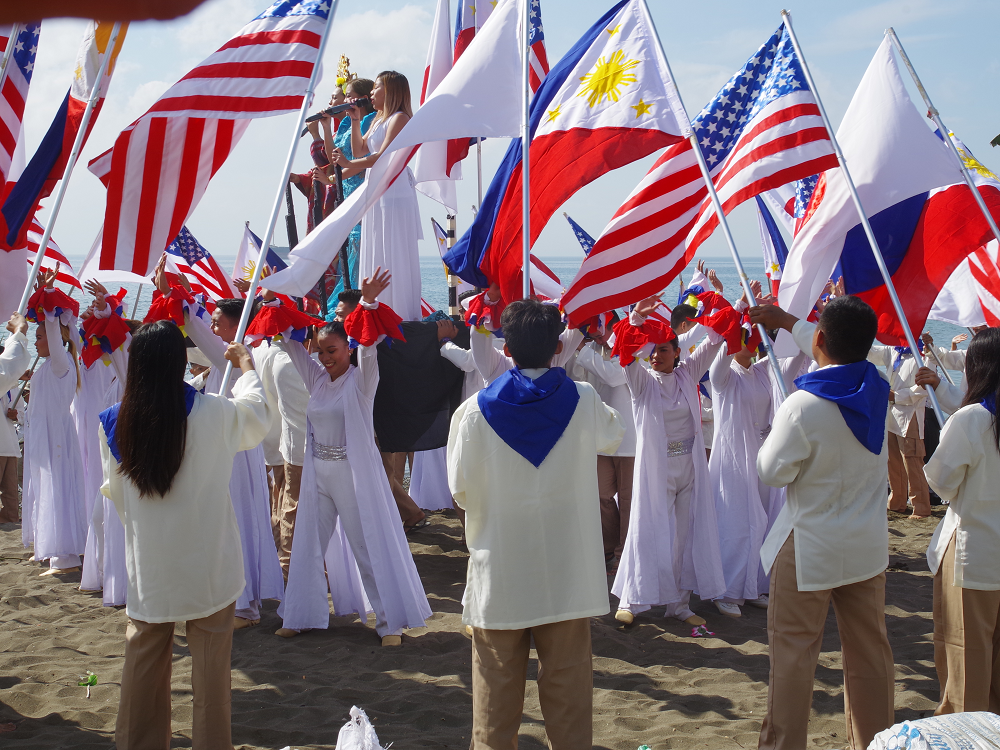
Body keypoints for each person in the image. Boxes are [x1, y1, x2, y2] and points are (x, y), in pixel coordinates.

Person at [448, 299, 624, 750]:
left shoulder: (472, 412)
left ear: (505, 348)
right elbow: (614, 433)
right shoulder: (583, 401)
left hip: (501, 569)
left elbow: (460, 491)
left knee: (493, 706)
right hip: (566, 572)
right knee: (568, 704)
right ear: (560, 345)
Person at [99, 320, 271, 749]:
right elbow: (257, 418)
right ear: (181, 362)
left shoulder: (116, 423)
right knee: (212, 676)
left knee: (142, 665)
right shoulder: (214, 413)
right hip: (208, 560)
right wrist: (247, 367)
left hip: (152, 563)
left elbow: (118, 497)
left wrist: (149, 531)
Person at [748, 297, 895, 750]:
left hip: (810, 544)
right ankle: (875, 742)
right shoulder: (878, 387)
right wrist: (793, 323)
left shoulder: (804, 404)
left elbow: (771, 472)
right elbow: (841, 346)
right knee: (871, 654)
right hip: (866, 544)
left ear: (819, 339)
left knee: (793, 656)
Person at [274, 268, 431, 646]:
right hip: (318, 474)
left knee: (366, 545)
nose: (326, 357)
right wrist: (275, 299)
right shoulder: (317, 380)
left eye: (334, 350)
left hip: (352, 475)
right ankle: (300, 614)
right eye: (322, 351)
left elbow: (369, 346)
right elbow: (292, 346)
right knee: (307, 543)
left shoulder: (361, 381)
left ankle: (390, 623)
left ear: (347, 349)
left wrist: (368, 303)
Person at [152, 255, 285, 628]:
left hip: (235, 451)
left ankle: (245, 605)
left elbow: (198, 333)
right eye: (209, 320)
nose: (212, 325)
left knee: (236, 519)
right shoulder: (222, 361)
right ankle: (236, 599)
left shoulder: (238, 356)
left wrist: (174, 296)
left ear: (234, 324)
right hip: (221, 448)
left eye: (217, 321)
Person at [611, 294, 729, 627]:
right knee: (646, 531)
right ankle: (632, 600)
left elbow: (715, 339)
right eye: (653, 350)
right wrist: (635, 317)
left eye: (664, 349)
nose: (656, 355)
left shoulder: (688, 374)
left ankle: (678, 603)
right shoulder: (642, 383)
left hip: (689, 469)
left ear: (678, 352)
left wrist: (716, 301)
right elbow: (624, 353)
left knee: (683, 536)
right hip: (656, 470)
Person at [924, 328, 1000, 714]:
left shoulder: (972, 418)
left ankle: (967, 733)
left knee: (966, 656)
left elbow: (940, 480)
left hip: (975, 553)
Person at [332, 70, 423, 321]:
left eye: (376, 88)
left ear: (391, 90)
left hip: (393, 192)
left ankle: (400, 314)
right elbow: (360, 148)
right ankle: (374, 310)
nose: (371, 93)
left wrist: (350, 162)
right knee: (376, 250)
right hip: (376, 192)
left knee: (393, 249)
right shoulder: (376, 119)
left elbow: (382, 156)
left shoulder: (399, 118)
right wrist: (354, 119)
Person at [22, 271, 88, 574]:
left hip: (56, 437)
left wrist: (48, 306)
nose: (37, 343)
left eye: (40, 338)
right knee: (44, 487)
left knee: (58, 488)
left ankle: (65, 556)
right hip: (42, 436)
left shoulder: (62, 364)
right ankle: (52, 549)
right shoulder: (50, 367)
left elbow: (54, 335)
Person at [571, 320, 636, 574]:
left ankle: (623, 554)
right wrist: (582, 346)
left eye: (603, 327)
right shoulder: (594, 352)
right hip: (601, 439)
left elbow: (612, 376)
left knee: (629, 499)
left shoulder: (632, 350)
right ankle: (609, 549)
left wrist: (588, 349)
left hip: (630, 441)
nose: (597, 332)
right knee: (600, 495)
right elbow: (579, 378)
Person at [869, 340, 931, 518]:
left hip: (909, 414)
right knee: (892, 460)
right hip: (890, 413)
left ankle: (921, 507)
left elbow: (924, 388)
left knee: (912, 461)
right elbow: (871, 353)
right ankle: (897, 501)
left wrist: (895, 396)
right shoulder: (894, 349)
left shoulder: (924, 355)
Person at [0, 312, 30, 524]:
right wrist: (19, 333)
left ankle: (11, 523)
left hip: (9, 444)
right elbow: (9, 369)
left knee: (10, 493)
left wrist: (15, 414)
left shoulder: (11, 388)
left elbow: (21, 413)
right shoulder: (8, 383)